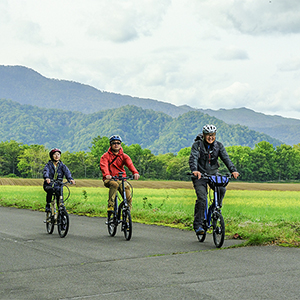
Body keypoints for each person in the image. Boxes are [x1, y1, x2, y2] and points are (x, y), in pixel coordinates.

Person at [189, 124, 239, 235]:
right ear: (204, 135)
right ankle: (198, 225)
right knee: (202, 198)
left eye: (213, 135)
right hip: (199, 175)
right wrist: (194, 170)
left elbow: (226, 158)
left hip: (213, 174)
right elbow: (193, 158)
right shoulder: (197, 145)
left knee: (221, 190)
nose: (210, 137)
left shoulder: (218, 146)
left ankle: (214, 209)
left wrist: (233, 170)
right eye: (208, 135)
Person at [100, 135, 140, 212]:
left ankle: (127, 220)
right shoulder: (105, 156)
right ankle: (111, 205)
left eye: (118, 143)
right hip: (110, 179)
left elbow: (130, 165)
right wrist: (107, 174)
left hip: (121, 179)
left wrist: (135, 173)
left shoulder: (124, 156)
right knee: (114, 184)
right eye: (114, 143)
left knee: (128, 198)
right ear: (110, 144)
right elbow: (104, 166)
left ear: (120, 144)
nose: (116, 144)